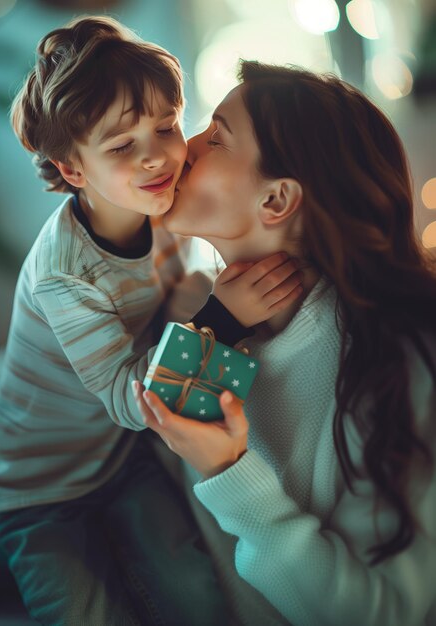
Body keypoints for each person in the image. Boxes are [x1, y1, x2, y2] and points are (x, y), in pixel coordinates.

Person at [0, 17, 303, 626]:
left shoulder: (166, 209)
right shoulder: (65, 276)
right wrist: (223, 320)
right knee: (82, 613)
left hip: (127, 461)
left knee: (196, 595)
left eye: (166, 127)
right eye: (122, 146)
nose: (158, 156)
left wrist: (222, 304)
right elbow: (132, 402)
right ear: (74, 171)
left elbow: (182, 299)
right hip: (40, 491)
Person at [134, 61, 436, 626]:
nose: (183, 150)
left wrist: (231, 471)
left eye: (215, 138)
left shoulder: (399, 362)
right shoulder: (193, 309)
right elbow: (149, 406)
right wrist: (218, 322)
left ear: (276, 201)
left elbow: (383, 614)